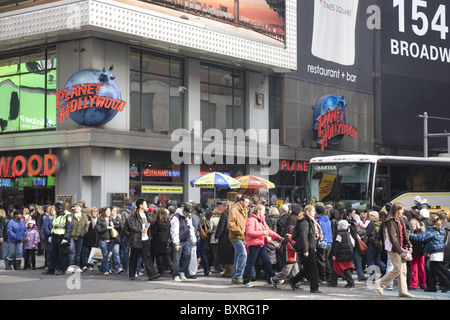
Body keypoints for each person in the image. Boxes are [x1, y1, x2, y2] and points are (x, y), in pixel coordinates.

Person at [376, 202, 414, 298]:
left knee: (403, 271)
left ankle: (403, 291)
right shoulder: (389, 221)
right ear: (397, 210)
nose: (403, 211)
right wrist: (400, 251)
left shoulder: (401, 219)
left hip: (401, 247)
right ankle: (380, 283)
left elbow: (405, 234)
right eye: (401, 210)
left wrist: (409, 245)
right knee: (398, 269)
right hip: (393, 248)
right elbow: (392, 238)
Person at [242, 205, 283, 288]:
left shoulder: (261, 220)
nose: (265, 212)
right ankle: (246, 281)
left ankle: (272, 278)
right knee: (250, 263)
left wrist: (278, 237)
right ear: (258, 211)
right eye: (263, 211)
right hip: (253, 244)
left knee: (267, 261)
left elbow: (268, 231)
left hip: (260, 244)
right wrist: (263, 233)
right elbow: (250, 233)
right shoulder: (251, 220)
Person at [409, 214, 450, 293]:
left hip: (435, 250)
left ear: (431, 221)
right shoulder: (439, 229)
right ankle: (433, 286)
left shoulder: (432, 229)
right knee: (432, 269)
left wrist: (409, 235)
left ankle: (447, 283)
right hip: (439, 250)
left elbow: (421, 237)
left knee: (435, 268)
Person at [123, 198, 160, 281]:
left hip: (146, 238)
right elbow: (131, 226)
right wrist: (140, 230)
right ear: (140, 205)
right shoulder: (134, 216)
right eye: (145, 204)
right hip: (136, 239)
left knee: (147, 257)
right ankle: (132, 274)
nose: (146, 205)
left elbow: (148, 223)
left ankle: (151, 274)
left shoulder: (146, 214)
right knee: (134, 257)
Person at [290, 205, 322, 293]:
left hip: (310, 246)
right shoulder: (305, 222)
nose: (314, 212)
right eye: (313, 211)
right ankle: (314, 288)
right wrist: (305, 250)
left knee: (307, 268)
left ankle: (293, 280)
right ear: (308, 212)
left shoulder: (310, 221)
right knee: (313, 268)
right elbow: (303, 236)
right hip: (307, 247)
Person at [42, 202, 74, 275]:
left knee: (62, 254)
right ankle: (51, 269)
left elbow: (69, 227)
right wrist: (51, 235)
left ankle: (61, 269)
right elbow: (54, 225)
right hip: (55, 236)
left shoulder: (68, 215)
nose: (55, 209)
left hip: (62, 236)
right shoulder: (56, 214)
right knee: (52, 253)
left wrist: (66, 237)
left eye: (56, 207)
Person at [170, 202, 197, 282]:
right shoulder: (176, 217)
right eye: (187, 213)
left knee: (187, 255)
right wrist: (176, 243)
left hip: (186, 240)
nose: (188, 215)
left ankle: (182, 271)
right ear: (183, 211)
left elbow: (191, 229)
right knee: (177, 258)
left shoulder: (189, 217)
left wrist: (193, 241)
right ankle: (176, 274)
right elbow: (174, 231)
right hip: (179, 240)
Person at [228, 195, 250, 284]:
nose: (247, 204)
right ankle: (238, 275)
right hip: (236, 236)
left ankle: (235, 276)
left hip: (242, 236)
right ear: (241, 201)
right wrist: (240, 231)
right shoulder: (234, 210)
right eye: (246, 202)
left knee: (238, 256)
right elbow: (230, 224)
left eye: (248, 202)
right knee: (243, 254)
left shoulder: (245, 210)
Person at [328, 219, 355, 288]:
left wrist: (334, 254)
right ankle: (350, 282)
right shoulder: (348, 234)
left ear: (340, 227)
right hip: (347, 254)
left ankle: (334, 282)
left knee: (336, 269)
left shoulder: (339, 235)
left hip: (340, 255)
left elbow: (337, 245)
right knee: (346, 269)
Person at [67, 202, 89, 273]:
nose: (75, 208)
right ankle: (71, 265)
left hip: (80, 236)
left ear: (80, 208)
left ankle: (77, 266)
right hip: (72, 236)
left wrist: (83, 232)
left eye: (77, 206)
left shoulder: (83, 216)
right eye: (75, 206)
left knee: (78, 252)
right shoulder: (70, 215)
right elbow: (67, 224)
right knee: (72, 251)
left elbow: (86, 226)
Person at [215, 201, 234, 278]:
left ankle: (229, 271)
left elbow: (221, 226)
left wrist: (216, 236)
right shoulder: (233, 214)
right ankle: (228, 271)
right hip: (232, 236)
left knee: (226, 255)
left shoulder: (224, 214)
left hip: (224, 237)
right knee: (230, 255)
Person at [151, 207, 172, 275]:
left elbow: (154, 233)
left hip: (158, 241)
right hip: (166, 241)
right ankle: (172, 268)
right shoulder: (168, 222)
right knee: (167, 256)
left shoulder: (156, 223)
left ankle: (160, 270)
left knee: (159, 256)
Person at [96, 207, 116, 276]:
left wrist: (113, 226)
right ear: (104, 212)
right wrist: (107, 228)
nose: (108, 212)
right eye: (107, 211)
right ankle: (106, 270)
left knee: (109, 256)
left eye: (109, 211)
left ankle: (102, 268)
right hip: (102, 240)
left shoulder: (111, 219)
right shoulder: (100, 220)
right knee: (105, 255)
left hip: (110, 239)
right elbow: (98, 230)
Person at [315, 205, 332, 283]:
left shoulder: (318, 221)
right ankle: (329, 276)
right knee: (326, 259)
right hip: (329, 242)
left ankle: (322, 277)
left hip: (322, 242)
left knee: (321, 260)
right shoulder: (328, 220)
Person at [409, 218, 426, 290]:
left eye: (414, 224)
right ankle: (414, 284)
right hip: (413, 253)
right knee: (414, 270)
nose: (413, 225)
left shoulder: (420, 232)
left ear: (417, 225)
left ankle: (422, 283)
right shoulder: (410, 232)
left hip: (420, 252)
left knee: (421, 269)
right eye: (411, 224)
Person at [81, 207, 99, 271]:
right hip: (87, 237)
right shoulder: (87, 218)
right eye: (93, 212)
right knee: (85, 252)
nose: (94, 213)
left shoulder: (98, 219)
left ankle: (90, 265)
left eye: (95, 212)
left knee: (92, 253)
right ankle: (84, 265)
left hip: (94, 239)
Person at [209, 206, 224, 274]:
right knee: (220, 253)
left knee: (215, 254)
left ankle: (219, 267)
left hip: (213, 237)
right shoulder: (222, 218)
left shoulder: (212, 219)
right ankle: (218, 267)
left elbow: (210, 229)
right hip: (221, 238)